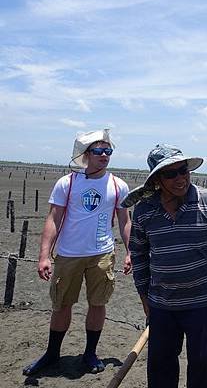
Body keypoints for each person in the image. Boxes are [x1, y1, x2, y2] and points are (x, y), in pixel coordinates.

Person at [126, 144, 207, 388]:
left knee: (200, 365)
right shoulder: (144, 210)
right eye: (171, 173)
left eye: (183, 171)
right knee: (161, 367)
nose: (180, 178)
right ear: (158, 179)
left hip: (202, 302)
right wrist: (144, 295)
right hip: (162, 303)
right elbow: (138, 254)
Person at [23, 129, 131, 376]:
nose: (104, 155)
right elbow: (54, 219)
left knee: (98, 303)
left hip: (102, 254)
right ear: (86, 155)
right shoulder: (67, 183)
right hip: (69, 254)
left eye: (108, 151)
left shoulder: (118, 185)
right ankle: (52, 353)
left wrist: (130, 251)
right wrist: (44, 255)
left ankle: (90, 353)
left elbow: (125, 220)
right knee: (61, 304)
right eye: (98, 151)